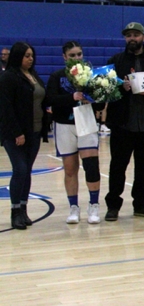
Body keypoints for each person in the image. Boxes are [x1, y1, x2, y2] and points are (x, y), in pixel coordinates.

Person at [104, 22, 144, 221]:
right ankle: (113, 205)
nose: (132, 38)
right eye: (128, 35)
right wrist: (119, 88)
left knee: (143, 167)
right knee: (118, 167)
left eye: (135, 35)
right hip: (122, 123)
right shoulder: (115, 61)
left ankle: (141, 203)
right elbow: (105, 90)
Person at [46, 41, 103, 224]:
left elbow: (101, 102)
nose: (77, 58)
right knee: (70, 169)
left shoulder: (91, 75)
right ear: (64, 57)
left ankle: (94, 205)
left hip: (86, 121)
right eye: (72, 55)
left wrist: (93, 99)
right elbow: (50, 99)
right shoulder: (57, 76)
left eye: (79, 54)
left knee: (91, 166)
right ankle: (73, 207)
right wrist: (72, 97)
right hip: (64, 124)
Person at [0, 42, 49, 230]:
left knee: (27, 171)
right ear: (17, 56)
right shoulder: (8, 77)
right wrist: (17, 133)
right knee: (19, 169)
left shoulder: (34, 76)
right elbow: (6, 108)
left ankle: (23, 208)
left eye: (32, 55)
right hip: (16, 134)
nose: (30, 59)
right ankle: (15, 211)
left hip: (34, 131)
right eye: (26, 55)